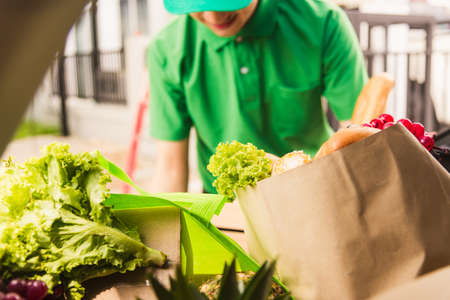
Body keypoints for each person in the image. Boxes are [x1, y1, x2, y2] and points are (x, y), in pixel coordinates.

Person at [147, 0, 367, 194]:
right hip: (223, 204)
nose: (214, 16)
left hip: (310, 191)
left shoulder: (322, 22)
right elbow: (170, 167)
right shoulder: (167, 49)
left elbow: (361, 135)